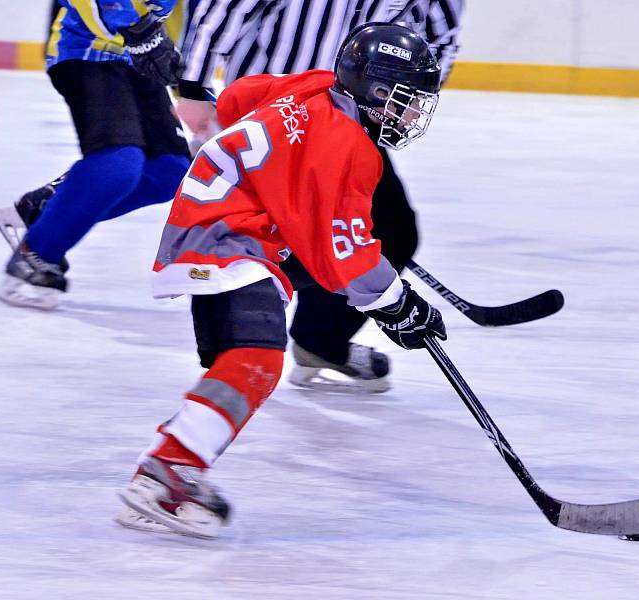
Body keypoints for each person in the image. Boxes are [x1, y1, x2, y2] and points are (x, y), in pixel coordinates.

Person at [116, 22, 447, 538]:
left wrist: (274, 166)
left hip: (211, 226)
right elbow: (348, 255)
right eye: (405, 100)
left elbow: (238, 100)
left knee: (248, 359)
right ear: (377, 91)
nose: (410, 115)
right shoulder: (353, 150)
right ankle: (167, 473)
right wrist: (399, 304)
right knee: (258, 360)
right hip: (228, 239)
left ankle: (171, 465)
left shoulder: (314, 84)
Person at [174, 0, 464, 392]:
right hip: (279, 106)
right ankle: (241, 324)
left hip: (358, 114)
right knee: (291, 233)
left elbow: (441, 34)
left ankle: (315, 341)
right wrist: (193, 83)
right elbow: (227, 7)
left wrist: (401, 103)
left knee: (390, 231)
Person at [0, 0, 190, 310]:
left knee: (169, 172)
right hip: (85, 48)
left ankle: (45, 209)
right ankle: (36, 255)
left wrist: (186, 80)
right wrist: (140, 33)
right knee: (119, 162)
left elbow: (183, 14)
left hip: (137, 58)